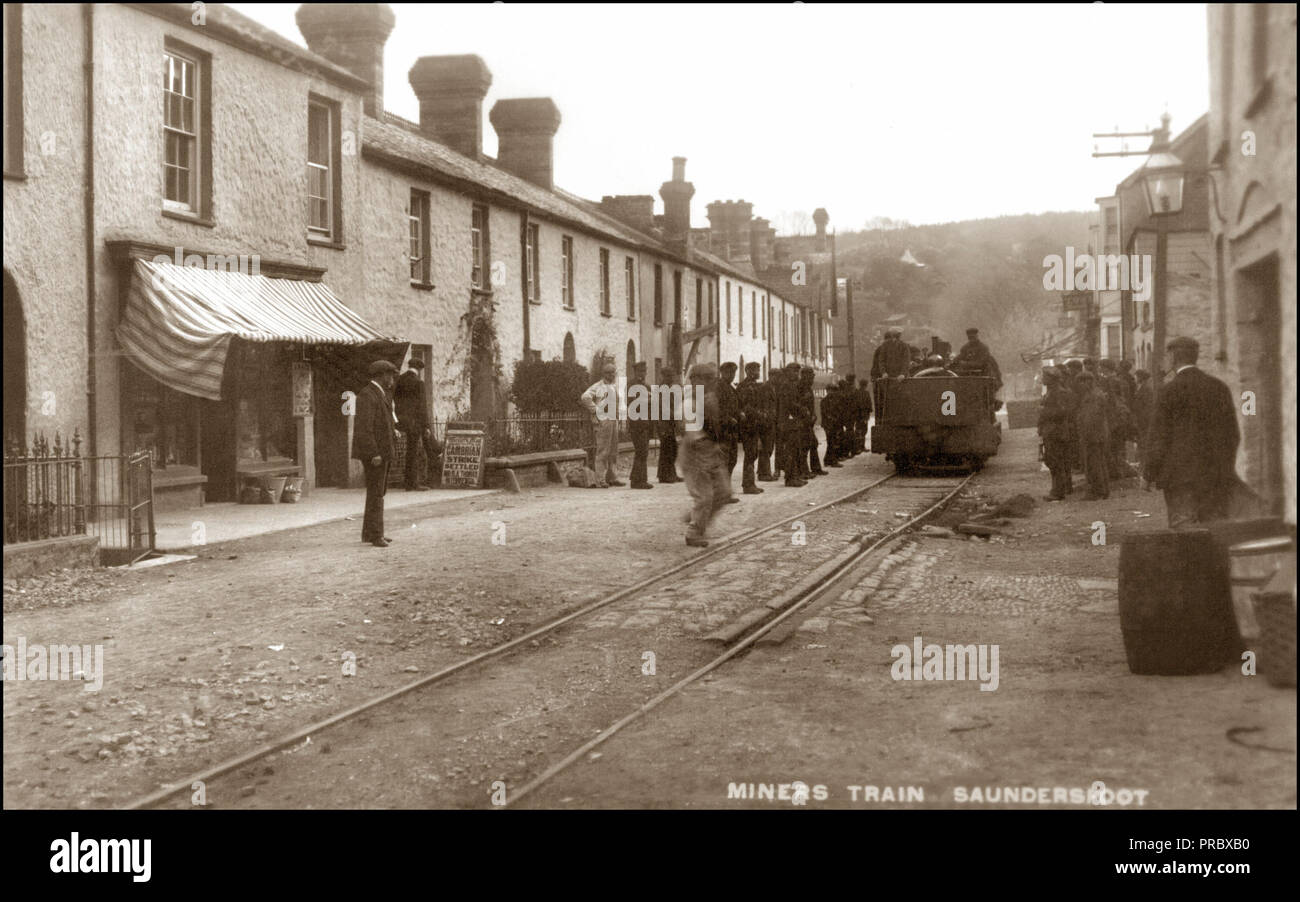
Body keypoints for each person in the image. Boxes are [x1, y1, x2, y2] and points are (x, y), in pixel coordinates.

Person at [1143, 336, 1241, 528]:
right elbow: (1233, 436)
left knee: (1185, 535)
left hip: (1180, 479)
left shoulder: (1169, 391)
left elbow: (1159, 437)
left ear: (1173, 356)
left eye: (1166, 355)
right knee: (1215, 533)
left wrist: (1148, 474)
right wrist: (1225, 469)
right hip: (1215, 477)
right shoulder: (1219, 388)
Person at [681, 363, 732, 547]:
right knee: (705, 496)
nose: (713, 381)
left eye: (712, 378)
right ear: (696, 380)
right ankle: (694, 532)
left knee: (724, 492)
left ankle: (697, 515)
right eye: (708, 378)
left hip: (710, 449)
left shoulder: (709, 397)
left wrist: (717, 444)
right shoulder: (690, 400)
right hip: (696, 451)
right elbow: (693, 431)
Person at [352, 359, 399, 547]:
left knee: (377, 492)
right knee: (376, 494)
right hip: (375, 454)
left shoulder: (378, 394)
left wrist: (392, 430)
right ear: (381, 376)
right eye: (389, 375)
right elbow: (365, 428)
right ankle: (376, 535)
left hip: (381, 452)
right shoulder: (367, 395)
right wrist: (373, 453)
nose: (392, 379)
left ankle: (370, 533)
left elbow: (381, 422)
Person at [394, 358, 441, 491]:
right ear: (419, 370)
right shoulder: (418, 383)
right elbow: (422, 406)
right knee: (412, 451)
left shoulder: (399, 380)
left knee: (405, 452)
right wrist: (426, 426)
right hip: (415, 422)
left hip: (400, 420)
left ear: (409, 366)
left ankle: (407, 483)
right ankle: (412, 483)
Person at [581, 362, 625, 489]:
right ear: (603, 374)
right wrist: (596, 410)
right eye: (608, 372)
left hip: (613, 419)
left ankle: (612, 477)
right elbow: (585, 397)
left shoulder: (614, 386)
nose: (611, 375)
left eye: (613, 372)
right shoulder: (598, 386)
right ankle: (600, 479)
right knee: (603, 451)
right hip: (603, 421)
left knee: (614, 451)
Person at [1037, 368, 1073, 501]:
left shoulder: (1059, 393)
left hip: (1057, 432)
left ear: (1052, 378)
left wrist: (1043, 411)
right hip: (1051, 431)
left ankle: (1058, 492)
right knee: (1052, 461)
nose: (1043, 378)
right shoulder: (1051, 392)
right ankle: (1056, 490)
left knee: (1056, 462)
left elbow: (1063, 412)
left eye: (1045, 376)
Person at [1074, 371, 1110, 500]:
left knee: (1093, 464)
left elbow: (1091, 418)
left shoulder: (1093, 396)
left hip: (1093, 435)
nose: (1079, 386)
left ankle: (1097, 491)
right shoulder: (1096, 394)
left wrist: (1084, 435)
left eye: (1081, 383)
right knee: (1099, 462)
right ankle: (1103, 490)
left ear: (1088, 382)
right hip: (1098, 434)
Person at [735, 362, 766, 494]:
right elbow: (745, 406)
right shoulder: (744, 386)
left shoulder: (755, 386)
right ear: (748, 371)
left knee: (753, 454)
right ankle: (748, 485)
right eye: (755, 370)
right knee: (750, 453)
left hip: (755, 424)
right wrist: (758, 413)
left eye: (758, 370)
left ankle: (750, 483)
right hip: (748, 425)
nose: (758, 372)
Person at [776, 362, 807, 487]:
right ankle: (789, 478)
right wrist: (802, 409)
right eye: (794, 371)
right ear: (788, 372)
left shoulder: (792, 385)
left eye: (797, 372)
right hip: (788, 422)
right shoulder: (786, 386)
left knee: (794, 450)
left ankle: (794, 476)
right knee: (790, 451)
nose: (796, 374)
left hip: (792, 422)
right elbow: (789, 404)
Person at [626, 361, 653, 489]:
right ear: (635, 372)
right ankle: (638, 481)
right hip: (636, 423)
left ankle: (637, 478)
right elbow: (633, 402)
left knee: (643, 452)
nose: (642, 374)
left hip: (645, 422)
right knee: (641, 451)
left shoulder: (646, 386)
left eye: (644, 371)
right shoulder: (631, 385)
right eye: (640, 371)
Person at [716, 361, 741, 490]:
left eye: (733, 373)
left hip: (731, 430)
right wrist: (728, 419)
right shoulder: (718, 387)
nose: (732, 375)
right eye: (729, 372)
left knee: (731, 460)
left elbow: (734, 406)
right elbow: (716, 409)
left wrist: (739, 414)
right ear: (723, 373)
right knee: (724, 461)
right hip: (722, 430)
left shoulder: (730, 388)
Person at [800, 367, 827, 477]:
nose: (812, 378)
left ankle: (814, 468)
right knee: (804, 446)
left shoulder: (807, 387)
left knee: (813, 443)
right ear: (805, 375)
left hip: (809, 421)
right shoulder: (800, 387)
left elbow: (810, 404)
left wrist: (813, 415)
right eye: (811, 376)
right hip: (802, 421)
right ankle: (804, 470)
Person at [656, 367, 681, 484]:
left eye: (672, 376)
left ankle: (671, 473)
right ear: (664, 376)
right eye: (669, 376)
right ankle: (664, 476)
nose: (671, 378)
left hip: (670, 423)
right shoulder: (663, 389)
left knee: (672, 448)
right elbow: (664, 408)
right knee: (667, 449)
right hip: (664, 423)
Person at [757, 368, 778, 481]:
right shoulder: (766, 387)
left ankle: (763, 471)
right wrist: (766, 418)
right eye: (777, 376)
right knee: (766, 448)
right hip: (766, 422)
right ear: (771, 376)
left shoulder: (773, 387)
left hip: (771, 421)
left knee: (768, 448)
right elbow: (764, 405)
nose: (778, 379)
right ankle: (764, 474)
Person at [1131, 368, 1154, 466]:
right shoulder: (1141, 388)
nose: (1135, 378)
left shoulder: (1147, 389)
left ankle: (1144, 463)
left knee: (1144, 441)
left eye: (1136, 376)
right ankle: (1142, 462)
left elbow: (1147, 407)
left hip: (1144, 420)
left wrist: (1141, 419)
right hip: (1141, 419)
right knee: (1141, 441)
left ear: (1140, 378)